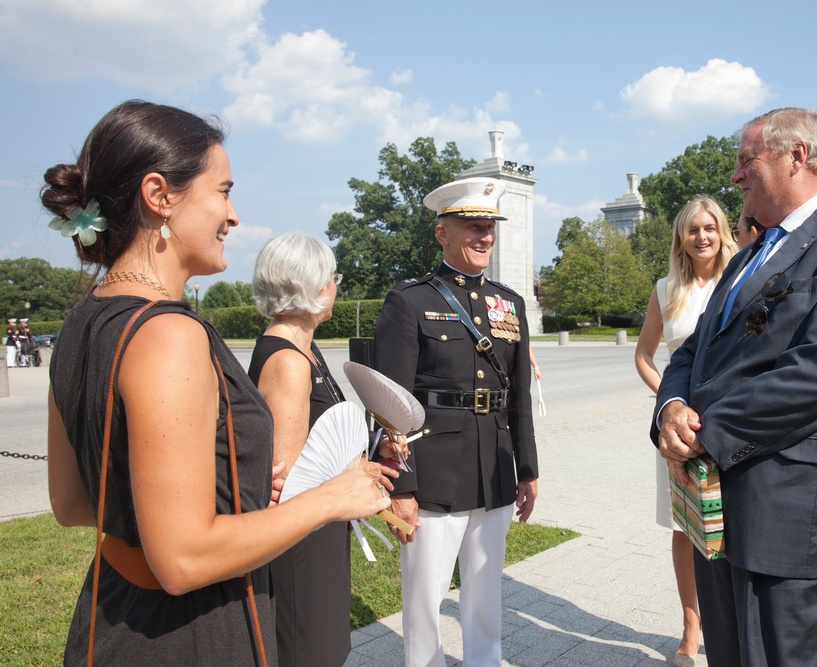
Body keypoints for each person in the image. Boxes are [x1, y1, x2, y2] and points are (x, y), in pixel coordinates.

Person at [43, 100, 391, 666]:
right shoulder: (167, 335)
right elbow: (183, 560)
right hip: (188, 634)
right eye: (223, 190)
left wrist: (239, 491)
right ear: (160, 197)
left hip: (110, 617)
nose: (233, 216)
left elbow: (74, 501)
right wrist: (330, 498)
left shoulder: (81, 320)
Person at [652, 107, 817, 666]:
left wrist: (706, 434)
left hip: (794, 517)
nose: (736, 176)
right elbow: (696, 350)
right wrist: (671, 406)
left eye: (747, 159)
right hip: (719, 508)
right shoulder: (748, 255)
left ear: (797, 156)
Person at [374, 176, 539, 667]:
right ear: (442, 232)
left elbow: (518, 397)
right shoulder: (410, 301)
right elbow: (389, 405)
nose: (484, 235)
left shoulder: (509, 303)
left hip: (494, 469)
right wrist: (400, 486)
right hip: (433, 472)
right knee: (425, 598)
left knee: (486, 592)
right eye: (472, 225)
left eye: (489, 225)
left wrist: (526, 470)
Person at [247, 231, 400, 667]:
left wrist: (370, 456)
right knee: (308, 649)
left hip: (323, 527)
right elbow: (290, 483)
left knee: (327, 646)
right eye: (333, 276)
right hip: (301, 542)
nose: (336, 286)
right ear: (314, 285)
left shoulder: (305, 348)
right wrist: (356, 476)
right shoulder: (288, 362)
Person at [634, 196, 737, 666]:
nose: (702, 237)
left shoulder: (741, 279)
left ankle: (731, 621)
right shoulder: (666, 288)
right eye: (693, 229)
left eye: (710, 227)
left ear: (722, 232)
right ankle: (691, 625)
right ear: (681, 236)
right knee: (685, 526)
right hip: (679, 431)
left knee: (733, 520)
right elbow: (644, 355)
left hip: (731, 422)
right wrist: (670, 403)